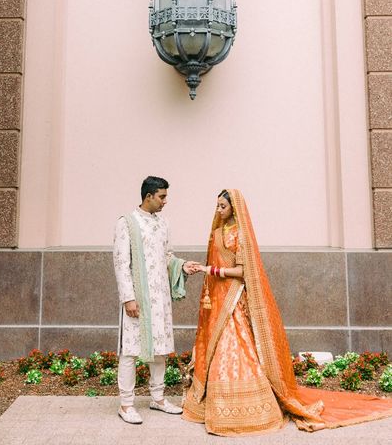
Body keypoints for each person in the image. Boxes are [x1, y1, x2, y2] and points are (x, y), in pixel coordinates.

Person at [182, 189, 392, 436]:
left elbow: (242, 272)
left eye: (223, 206)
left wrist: (211, 270)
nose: (218, 211)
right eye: (217, 206)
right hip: (218, 300)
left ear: (234, 209)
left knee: (237, 349)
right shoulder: (216, 234)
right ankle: (213, 406)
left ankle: (251, 408)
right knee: (218, 350)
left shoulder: (241, 235)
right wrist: (202, 269)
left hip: (235, 300)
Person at [113, 176, 198, 424]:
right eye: (162, 196)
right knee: (130, 351)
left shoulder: (163, 224)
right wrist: (128, 298)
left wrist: (182, 266)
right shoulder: (126, 223)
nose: (165, 201)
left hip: (159, 298)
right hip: (137, 299)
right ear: (148, 196)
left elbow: (165, 256)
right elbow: (120, 263)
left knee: (159, 350)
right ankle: (126, 404)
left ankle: (158, 398)